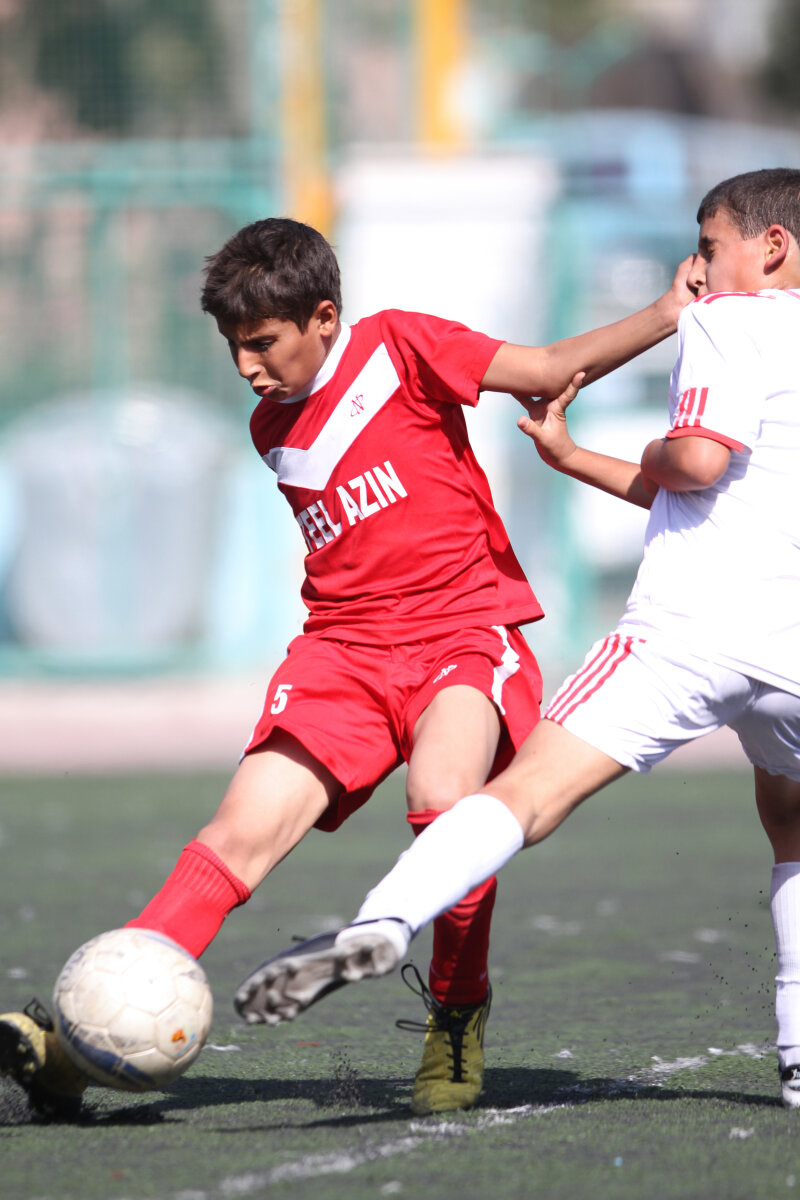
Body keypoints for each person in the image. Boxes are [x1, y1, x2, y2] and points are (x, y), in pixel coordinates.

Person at [0, 217, 691, 1118]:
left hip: (462, 632)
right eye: (232, 346)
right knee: (236, 835)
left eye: (262, 342)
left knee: (446, 806)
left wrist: (667, 311)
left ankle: (456, 1012)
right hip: (342, 653)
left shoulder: (402, 345)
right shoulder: (269, 424)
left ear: (324, 317)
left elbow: (551, 364)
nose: (246, 366)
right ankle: (76, 1044)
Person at [239, 168, 800, 1111]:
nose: (699, 268)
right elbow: (719, 494)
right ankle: (795, 1055)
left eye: (710, 246)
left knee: (523, 795)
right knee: (789, 825)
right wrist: (573, 455)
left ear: (771, 247)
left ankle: (385, 920)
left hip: (692, 630)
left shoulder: (725, 319)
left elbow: (697, 463)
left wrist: (661, 444)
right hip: (790, 644)